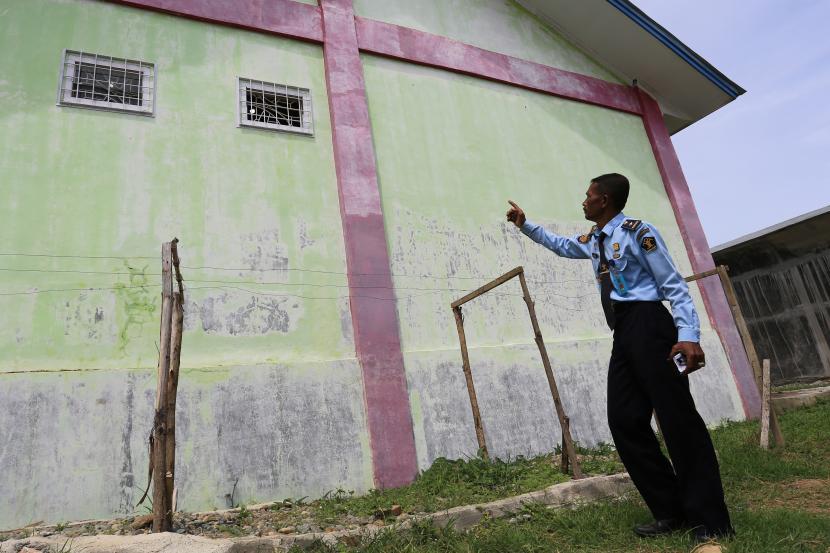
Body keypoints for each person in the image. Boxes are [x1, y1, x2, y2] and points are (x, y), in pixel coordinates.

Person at [506, 173, 733, 544]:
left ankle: (710, 521)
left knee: (678, 421)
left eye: (588, 196)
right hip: (624, 333)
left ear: (605, 200)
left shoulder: (637, 232)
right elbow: (563, 246)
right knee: (624, 420)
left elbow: (674, 284)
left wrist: (688, 336)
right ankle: (670, 509)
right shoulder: (596, 240)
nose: (583, 201)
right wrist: (525, 225)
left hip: (651, 325)